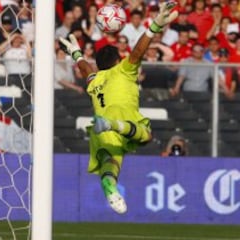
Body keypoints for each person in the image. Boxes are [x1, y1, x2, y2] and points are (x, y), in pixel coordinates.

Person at [59, 2, 178, 214]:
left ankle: (110, 187)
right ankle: (114, 125)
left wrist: (76, 54)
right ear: (116, 60)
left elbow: (87, 69)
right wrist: (155, 26)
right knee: (147, 136)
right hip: (121, 120)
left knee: (110, 161)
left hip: (99, 128)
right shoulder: (122, 70)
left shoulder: (95, 80)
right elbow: (138, 52)